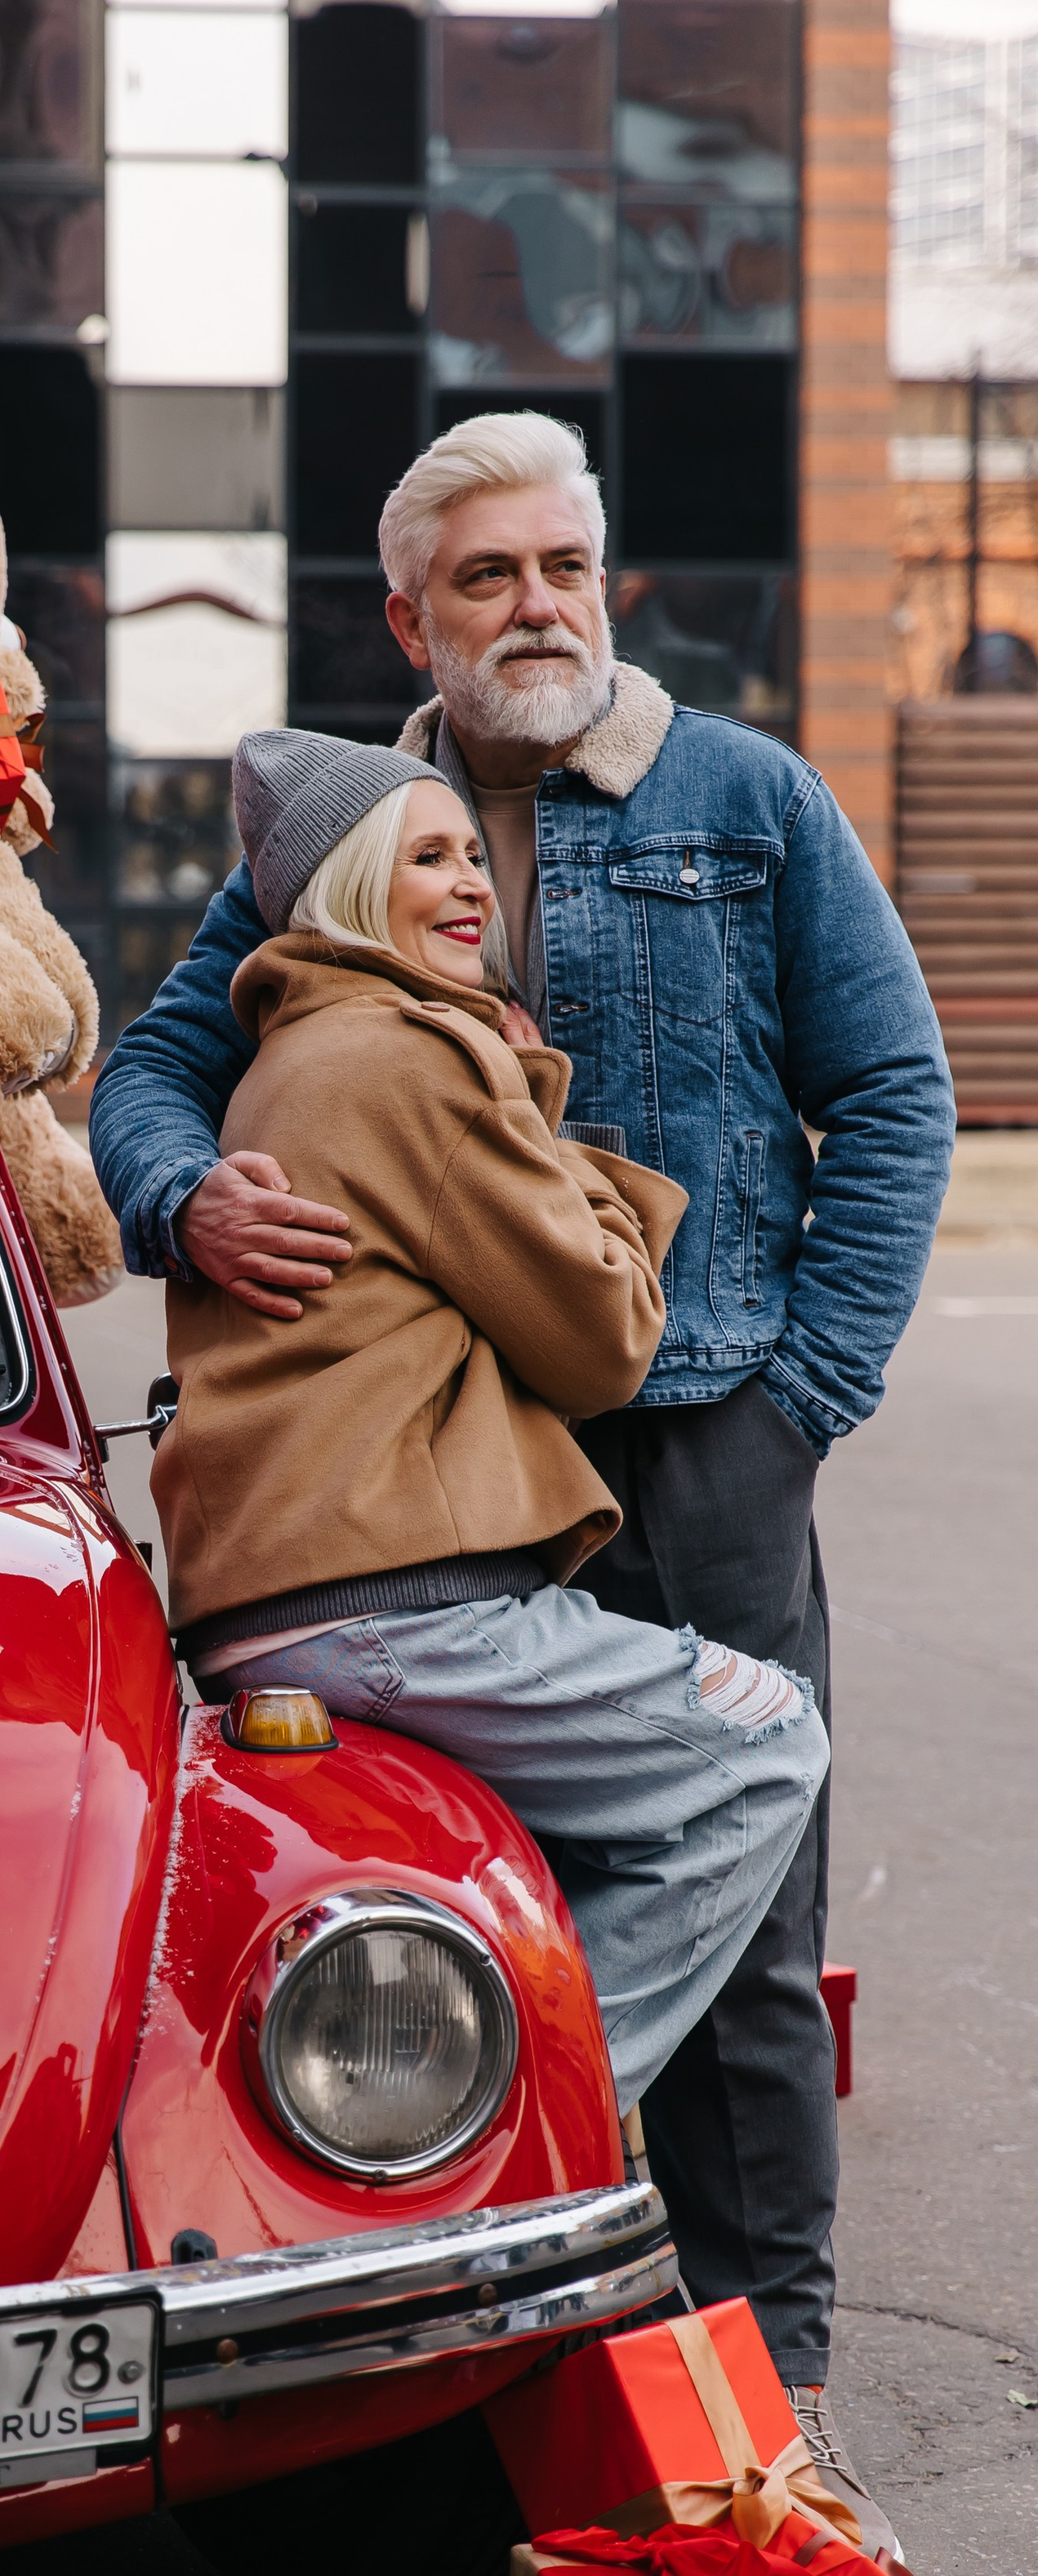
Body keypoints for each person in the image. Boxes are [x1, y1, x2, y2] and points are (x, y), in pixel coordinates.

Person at [93, 411, 955, 2551]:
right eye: (484, 577)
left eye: (562, 565)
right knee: (448, 1902)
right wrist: (187, 1193)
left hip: (702, 1436)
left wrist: (801, 1398)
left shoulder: (745, 798)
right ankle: (506, 2355)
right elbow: (157, 1063)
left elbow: (895, 1091)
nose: (535, 607)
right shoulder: (346, 830)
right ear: (412, 618)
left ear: (606, 579)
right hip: (441, 1486)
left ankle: (772, 2406)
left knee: (750, 1948)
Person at [160, 729, 828, 2130]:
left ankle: (445, 2078)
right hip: (404, 1602)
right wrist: (541, 1107)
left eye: (473, 853)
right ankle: (530, 2121)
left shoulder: (283, 1059)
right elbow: (605, 1336)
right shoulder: (416, 1058)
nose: (472, 883)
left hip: (272, 1606)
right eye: (428, 857)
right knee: (769, 1743)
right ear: (353, 885)